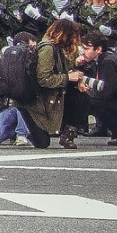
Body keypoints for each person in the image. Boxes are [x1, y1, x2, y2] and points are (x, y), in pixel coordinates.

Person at [23, 19, 81, 149]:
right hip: (35, 101)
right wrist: (67, 78)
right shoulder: (48, 49)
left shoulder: (58, 49)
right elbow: (43, 79)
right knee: (42, 143)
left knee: (81, 96)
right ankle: (32, 128)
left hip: (48, 96)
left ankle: (67, 132)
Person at [72, 30, 117, 146]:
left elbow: (106, 90)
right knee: (88, 99)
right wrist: (79, 66)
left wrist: (87, 90)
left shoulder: (108, 61)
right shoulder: (96, 61)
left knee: (89, 101)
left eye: (86, 49)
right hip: (115, 100)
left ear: (98, 50)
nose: (83, 52)